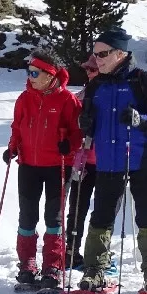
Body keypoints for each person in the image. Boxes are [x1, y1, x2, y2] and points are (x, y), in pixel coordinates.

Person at [77, 26, 147, 294]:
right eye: (95, 54)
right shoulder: (96, 85)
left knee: (146, 214)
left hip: (142, 158)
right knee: (102, 214)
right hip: (108, 160)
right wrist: (86, 123)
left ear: (120, 53)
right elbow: (89, 120)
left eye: (103, 54)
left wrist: (142, 121)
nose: (97, 59)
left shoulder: (143, 81)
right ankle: (93, 271)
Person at [3, 49, 82, 291]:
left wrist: (69, 144)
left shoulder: (67, 100)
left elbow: (77, 132)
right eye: (29, 72)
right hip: (28, 165)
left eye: (35, 73)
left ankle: (52, 266)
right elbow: (17, 127)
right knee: (27, 215)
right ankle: (27, 264)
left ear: (50, 75)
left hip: (58, 165)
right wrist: (12, 148)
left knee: (53, 217)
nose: (31, 77)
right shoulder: (24, 98)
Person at [66, 52, 101, 271]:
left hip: (107, 161)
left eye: (92, 69)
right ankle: (71, 250)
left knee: (103, 211)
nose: (88, 72)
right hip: (84, 161)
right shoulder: (80, 97)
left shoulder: (113, 94)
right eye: (86, 69)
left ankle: (96, 252)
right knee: (77, 207)